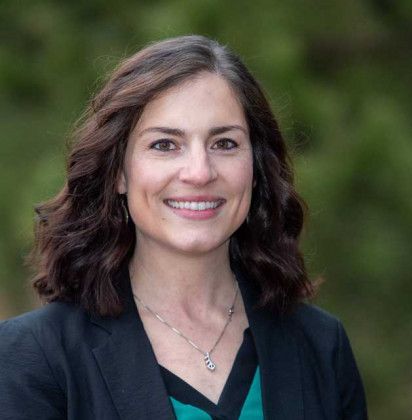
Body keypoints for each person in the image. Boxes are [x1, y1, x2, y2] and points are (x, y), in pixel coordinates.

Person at [0, 35, 368, 419]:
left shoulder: (321, 346)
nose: (199, 172)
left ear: (256, 169)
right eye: (164, 145)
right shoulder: (33, 357)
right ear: (119, 173)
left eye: (224, 143)